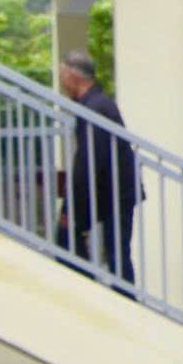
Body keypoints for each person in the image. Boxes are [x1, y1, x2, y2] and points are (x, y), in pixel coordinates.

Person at [56, 52, 141, 292]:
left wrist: (71, 208)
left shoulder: (96, 107)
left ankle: (111, 299)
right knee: (113, 253)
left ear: (74, 75)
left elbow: (89, 161)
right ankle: (103, 295)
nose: (62, 81)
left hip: (114, 193)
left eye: (62, 74)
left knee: (112, 254)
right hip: (111, 192)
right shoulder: (94, 104)